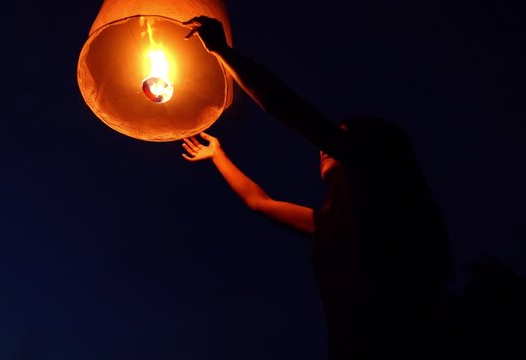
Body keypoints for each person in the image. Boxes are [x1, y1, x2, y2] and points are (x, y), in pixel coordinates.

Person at [182, 16, 453, 359]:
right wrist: (218, 155)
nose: (323, 146)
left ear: (377, 147)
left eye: (339, 136)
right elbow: (260, 202)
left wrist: (221, 50)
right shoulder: (332, 222)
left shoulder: (382, 177)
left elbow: (286, 106)